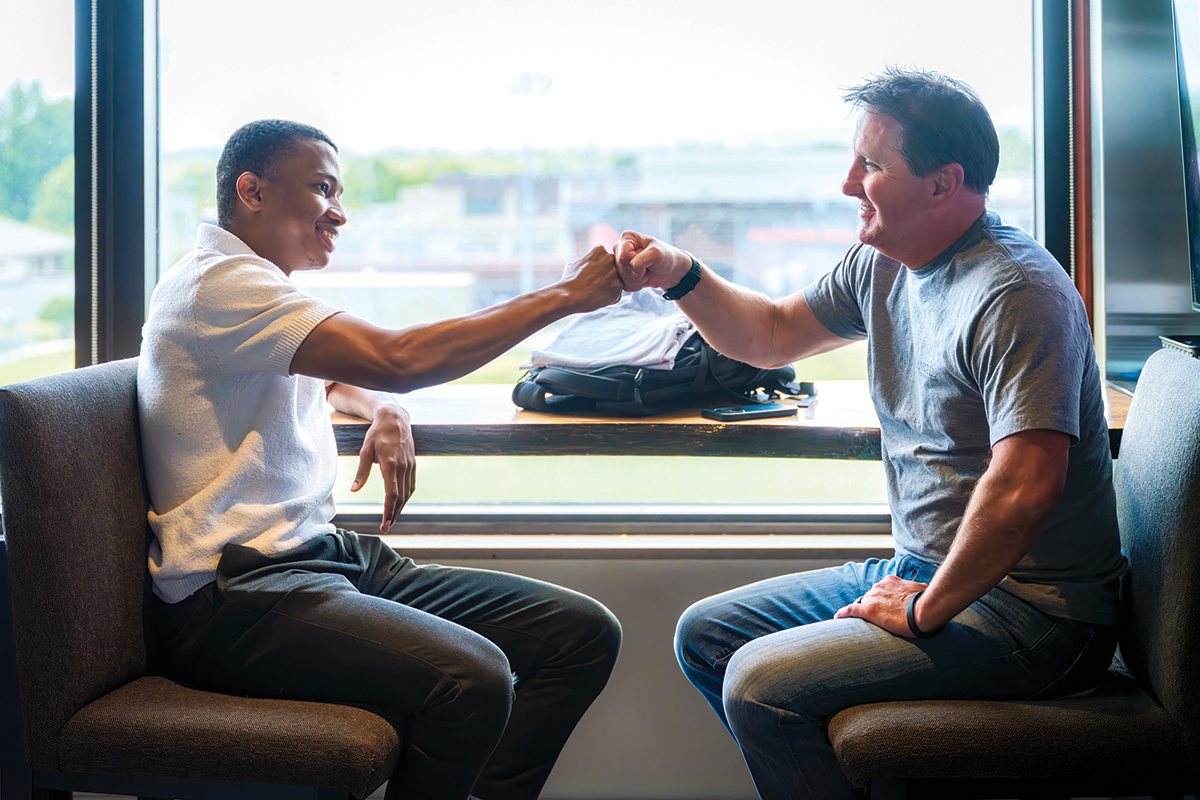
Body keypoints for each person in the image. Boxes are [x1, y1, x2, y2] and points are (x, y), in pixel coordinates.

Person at [615, 68, 1127, 800]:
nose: (848, 183)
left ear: (944, 183)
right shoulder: (883, 262)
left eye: (872, 165)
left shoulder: (1017, 292)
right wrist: (680, 274)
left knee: (761, 686)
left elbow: (1026, 488)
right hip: (920, 569)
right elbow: (768, 335)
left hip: (1034, 614)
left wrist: (924, 611)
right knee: (709, 635)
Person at [138, 118, 624, 800]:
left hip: (322, 559)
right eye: (321, 188)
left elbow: (335, 375)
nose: (339, 212)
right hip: (234, 594)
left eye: (338, 192)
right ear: (252, 191)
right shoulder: (219, 285)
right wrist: (565, 296)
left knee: (580, 635)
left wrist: (383, 407)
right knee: (473, 679)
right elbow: (399, 357)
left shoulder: (256, 287)